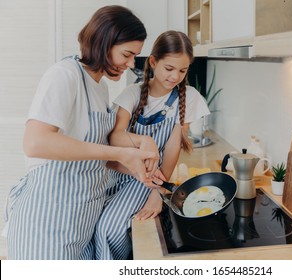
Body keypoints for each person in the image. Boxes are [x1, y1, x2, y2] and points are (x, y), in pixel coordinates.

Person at [3, 5, 164, 260]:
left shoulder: (99, 87)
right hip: (48, 223)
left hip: (79, 223)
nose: (131, 63)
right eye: (127, 54)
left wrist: (136, 167)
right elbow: (36, 142)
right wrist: (122, 153)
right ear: (104, 42)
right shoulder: (65, 75)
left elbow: (90, 156)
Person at [92, 30, 210, 260]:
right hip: (118, 174)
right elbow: (115, 137)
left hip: (148, 179)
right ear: (153, 62)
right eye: (169, 68)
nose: (176, 76)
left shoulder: (189, 97)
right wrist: (144, 141)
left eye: (183, 70)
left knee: (108, 230)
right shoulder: (132, 93)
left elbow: (173, 148)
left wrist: (158, 192)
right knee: (93, 228)